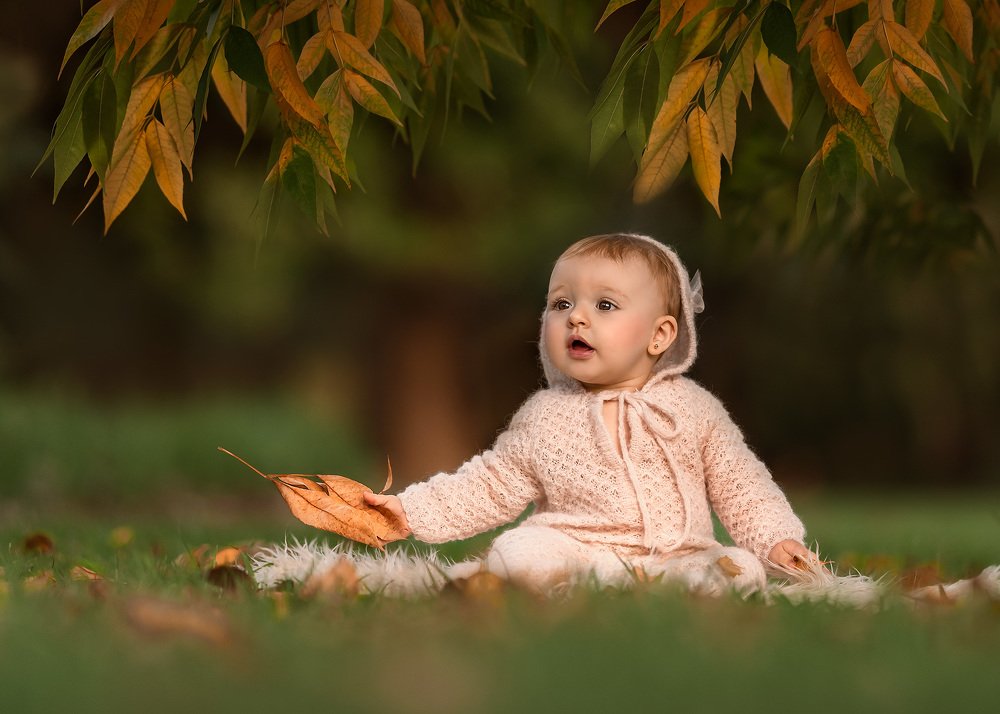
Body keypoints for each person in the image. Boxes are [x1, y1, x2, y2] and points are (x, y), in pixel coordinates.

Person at [364, 233, 813, 594]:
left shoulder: (693, 409)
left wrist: (775, 537)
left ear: (659, 336)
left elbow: (741, 482)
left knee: (739, 568)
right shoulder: (545, 415)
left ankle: (675, 584)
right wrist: (409, 511)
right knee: (519, 549)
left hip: (677, 552)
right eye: (561, 304)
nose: (577, 318)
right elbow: (490, 483)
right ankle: (576, 581)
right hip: (575, 547)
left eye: (605, 305)